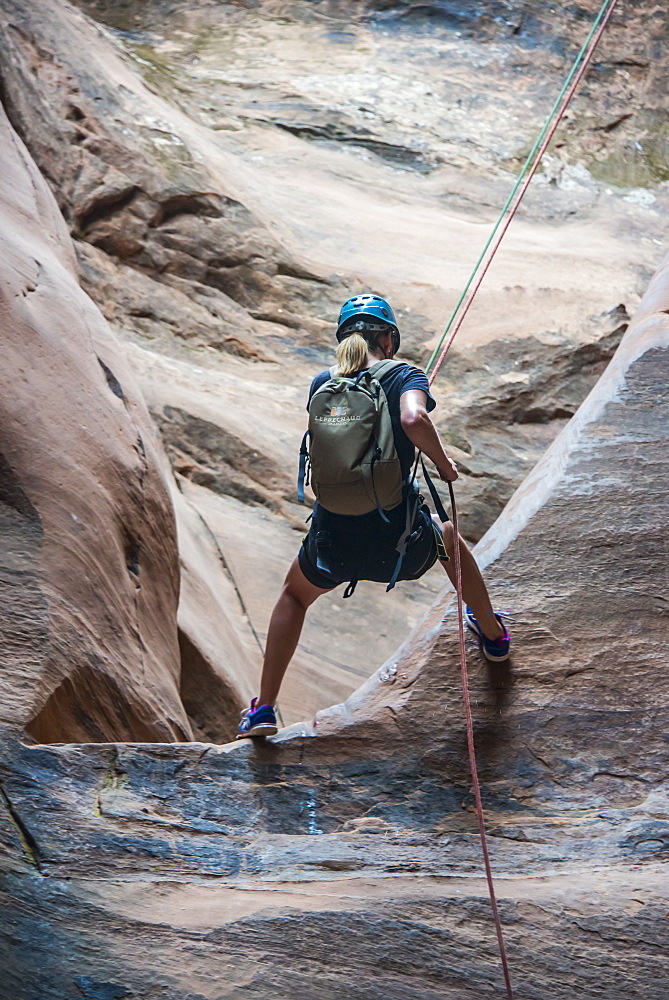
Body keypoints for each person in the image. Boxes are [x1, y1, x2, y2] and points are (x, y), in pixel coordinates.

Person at [238, 294, 510, 738]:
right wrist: (444, 465)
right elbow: (413, 419)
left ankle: (264, 707)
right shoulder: (406, 374)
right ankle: (494, 635)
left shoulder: (322, 382)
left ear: (344, 337)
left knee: (293, 596)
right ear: (389, 338)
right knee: (446, 534)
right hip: (399, 545)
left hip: (332, 544)